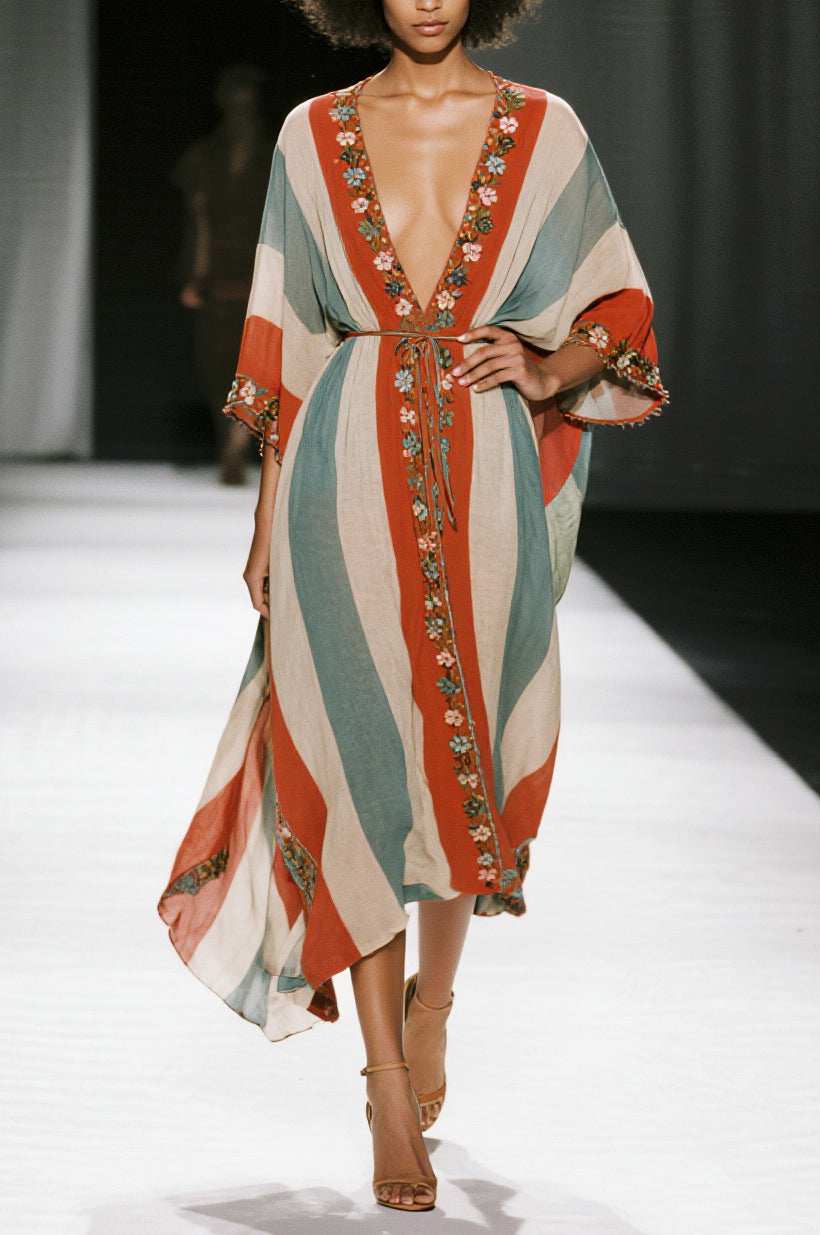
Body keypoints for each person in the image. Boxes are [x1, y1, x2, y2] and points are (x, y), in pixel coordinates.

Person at [158, 0, 667, 1213]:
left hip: (486, 469)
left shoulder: (544, 128)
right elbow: (286, 333)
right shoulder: (310, 132)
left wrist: (545, 366)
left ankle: (435, 1001)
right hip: (339, 467)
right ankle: (386, 1082)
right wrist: (265, 517)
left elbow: (617, 298)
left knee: (461, 753)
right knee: (355, 760)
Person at [173, 64, 276, 484]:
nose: (241, 106)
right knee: (219, 364)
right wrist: (194, 275)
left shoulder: (275, 156)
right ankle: (230, 445)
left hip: (259, 271)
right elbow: (198, 224)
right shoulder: (204, 158)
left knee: (252, 363)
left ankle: (234, 446)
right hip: (221, 274)